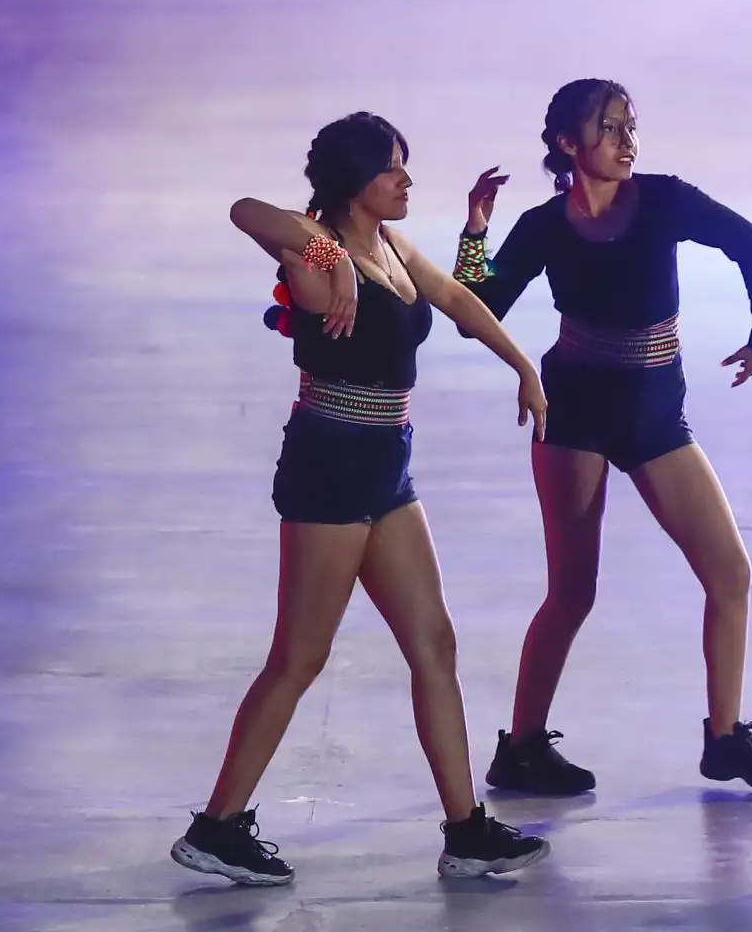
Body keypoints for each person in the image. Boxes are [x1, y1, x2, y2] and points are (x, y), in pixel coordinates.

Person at [170, 113, 552, 886]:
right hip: (331, 465)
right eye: (391, 168)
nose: (406, 180)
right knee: (300, 657)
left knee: (434, 646)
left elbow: (455, 297)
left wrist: (524, 366)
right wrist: (328, 258)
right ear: (354, 181)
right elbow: (247, 210)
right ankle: (216, 827)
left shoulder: (391, 247)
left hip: (388, 465)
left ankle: (465, 829)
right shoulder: (318, 252)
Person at [451, 82, 752, 796]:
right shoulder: (546, 224)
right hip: (571, 412)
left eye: (630, 125)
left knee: (729, 572)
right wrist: (474, 234)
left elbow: (749, 243)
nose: (626, 140)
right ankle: (520, 748)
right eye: (607, 128)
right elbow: (474, 312)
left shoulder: (665, 200)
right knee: (572, 591)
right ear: (567, 145)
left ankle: (725, 737)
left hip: (653, 415)